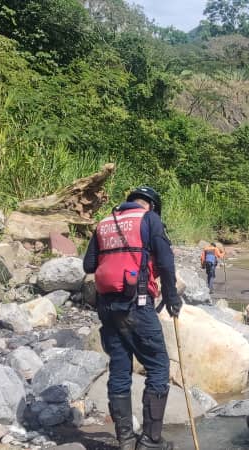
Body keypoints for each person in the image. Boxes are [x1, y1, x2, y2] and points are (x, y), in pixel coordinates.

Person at [82, 186, 181, 450]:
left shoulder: (104, 223)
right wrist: (171, 298)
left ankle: (125, 439)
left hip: (107, 308)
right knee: (159, 366)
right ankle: (150, 441)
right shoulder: (149, 219)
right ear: (151, 205)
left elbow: (89, 265)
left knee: (120, 369)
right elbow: (167, 262)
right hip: (137, 305)